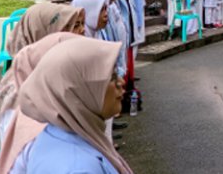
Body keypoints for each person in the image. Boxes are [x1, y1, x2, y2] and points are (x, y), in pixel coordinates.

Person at [7, 38, 133, 173]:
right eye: (112, 77)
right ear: (80, 90)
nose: (121, 82)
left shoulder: (59, 132)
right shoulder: (80, 168)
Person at [0, 4, 85, 158]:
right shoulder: (19, 88)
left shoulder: (54, 73)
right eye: (72, 26)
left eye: (81, 24)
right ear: (44, 35)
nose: (82, 32)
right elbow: (20, 151)